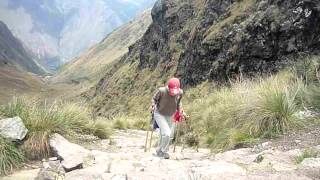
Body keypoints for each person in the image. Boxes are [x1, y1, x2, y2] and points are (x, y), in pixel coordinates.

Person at [151, 77, 183, 159]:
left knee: (167, 135)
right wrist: (153, 106)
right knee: (167, 133)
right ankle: (162, 151)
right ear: (168, 87)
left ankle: (160, 150)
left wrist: (180, 112)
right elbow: (154, 99)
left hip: (171, 114)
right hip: (159, 113)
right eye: (172, 91)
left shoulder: (180, 93)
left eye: (175, 92)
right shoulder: (162, 91)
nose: (173, 93)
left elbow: (178, 103)